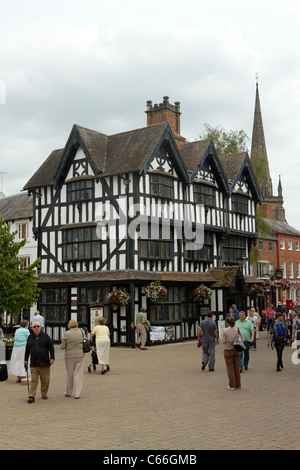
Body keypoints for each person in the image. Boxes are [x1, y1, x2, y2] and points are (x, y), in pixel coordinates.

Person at [24, 321, 55, 403]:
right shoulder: (30, 337)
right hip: (34, 362)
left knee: (45, 380)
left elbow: (51, 347)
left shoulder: (46, 336)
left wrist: (52, 357)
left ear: (41, 327)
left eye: (38, 326)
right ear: (32, 328)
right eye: (35, 327)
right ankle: (31, 395)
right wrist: (26, 359)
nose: (36, 328)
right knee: (34, 380)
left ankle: (44, 393)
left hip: (44, 362)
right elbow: (27, 349)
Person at [60, 320, 85, 399]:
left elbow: (62, 346)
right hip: (80, 355)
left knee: (69, 374)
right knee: (78, 374)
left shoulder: (66, 334)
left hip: (69, 356)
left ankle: (68, 391)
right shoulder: (82, 332)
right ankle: (77, 393)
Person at [222, 317, 241, 390]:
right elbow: (241, 338)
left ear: (227, 323)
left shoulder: (225, 330)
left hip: (228, 350)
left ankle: (232, 385)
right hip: (236, 350)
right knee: (236, 367)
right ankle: (238, 384)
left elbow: (223, 341)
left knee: (230, 368)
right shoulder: (237, 329)